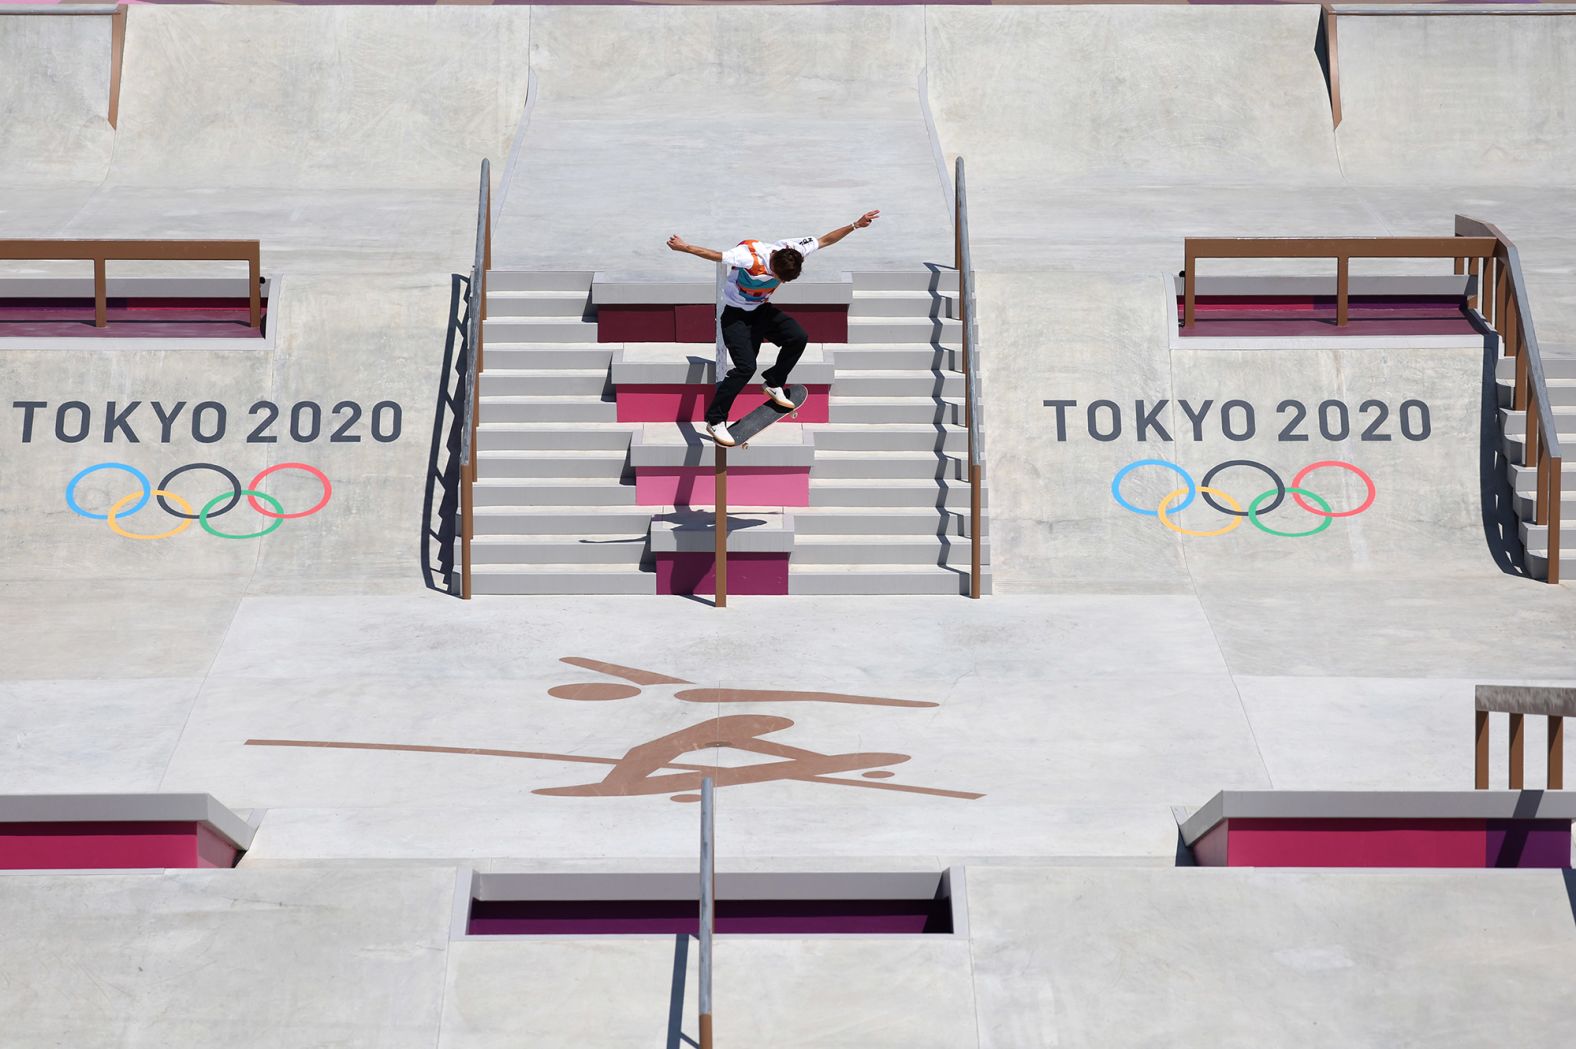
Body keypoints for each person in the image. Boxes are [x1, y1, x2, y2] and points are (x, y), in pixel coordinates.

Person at [666, 210, 880, 446]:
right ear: (772, 265)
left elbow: (825, 240)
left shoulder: (794, 250)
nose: (781, 282)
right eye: (780, 277)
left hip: (761, 311)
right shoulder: (749, 256)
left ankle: (774, 382)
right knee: (746, 368)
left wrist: (855, 225)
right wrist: (684, 247)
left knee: (798, 337)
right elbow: (716, 255)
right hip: (735, 316)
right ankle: (716, 420)